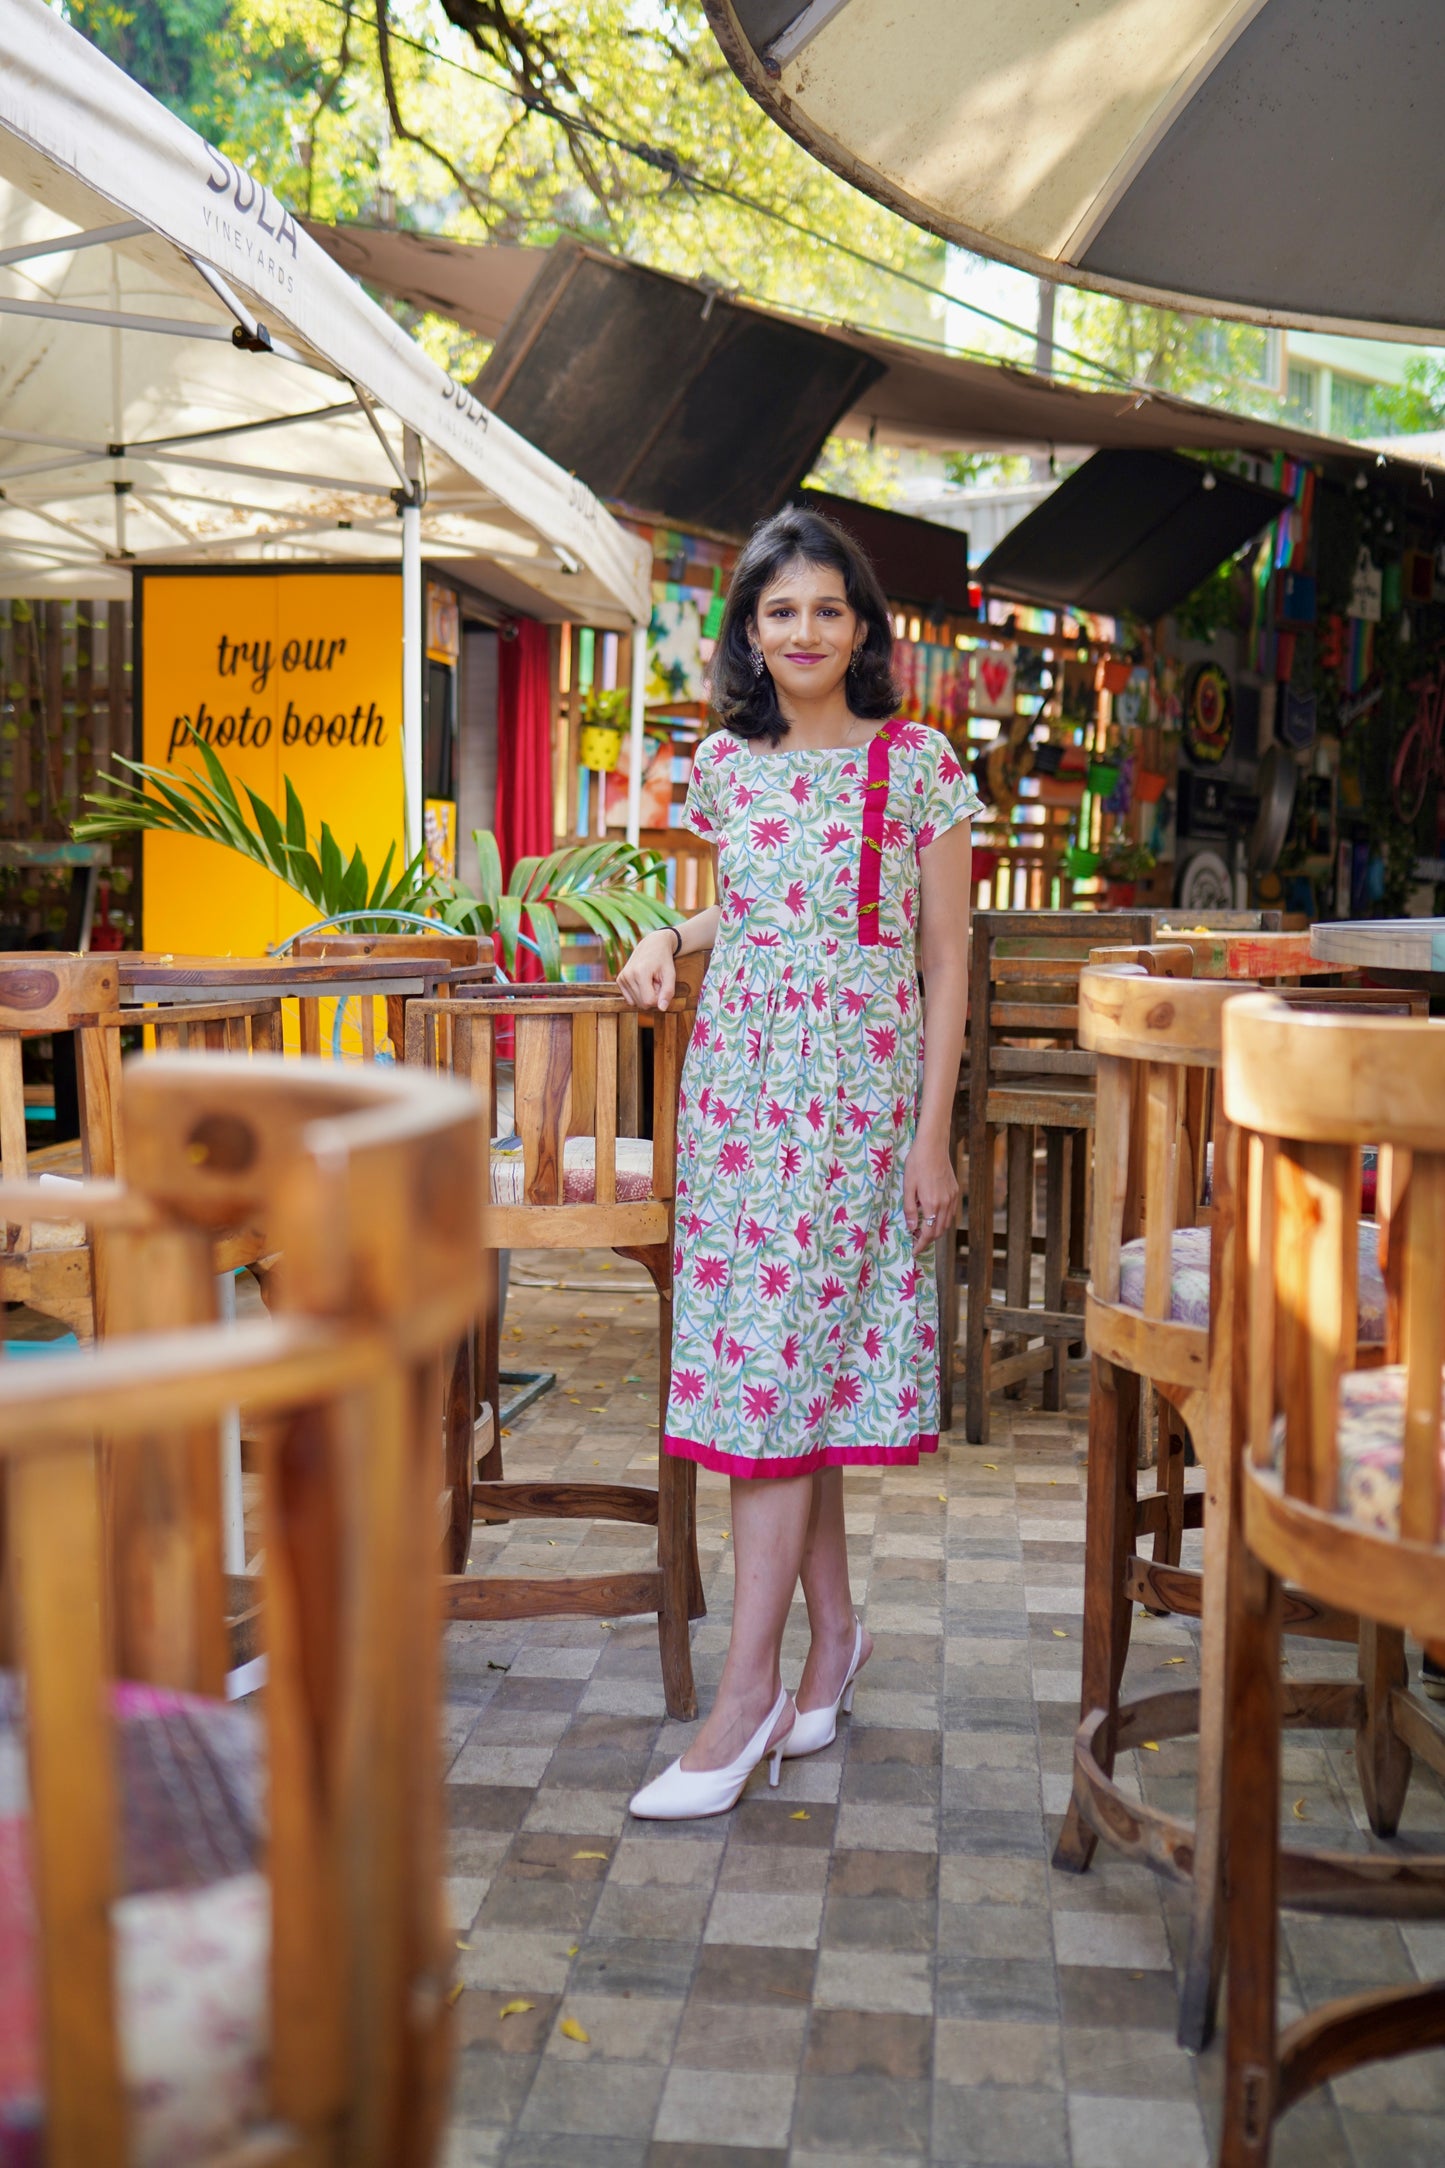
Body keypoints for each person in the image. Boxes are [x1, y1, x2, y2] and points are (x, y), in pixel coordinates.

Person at [618, 505, 979, 1819]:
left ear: (864, 626)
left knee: (770, 1391)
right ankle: (831, 1644)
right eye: (781, 611)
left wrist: (928, 1132)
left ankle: (747, 1695)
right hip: (736, 1101)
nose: (807, 630)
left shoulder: (921, 765)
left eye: (829, 608)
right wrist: (674, 931)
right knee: (781, 1376)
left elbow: (946, 959)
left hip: (852, 1109)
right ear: (750, 634)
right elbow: (766, 897)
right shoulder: (721, 765)